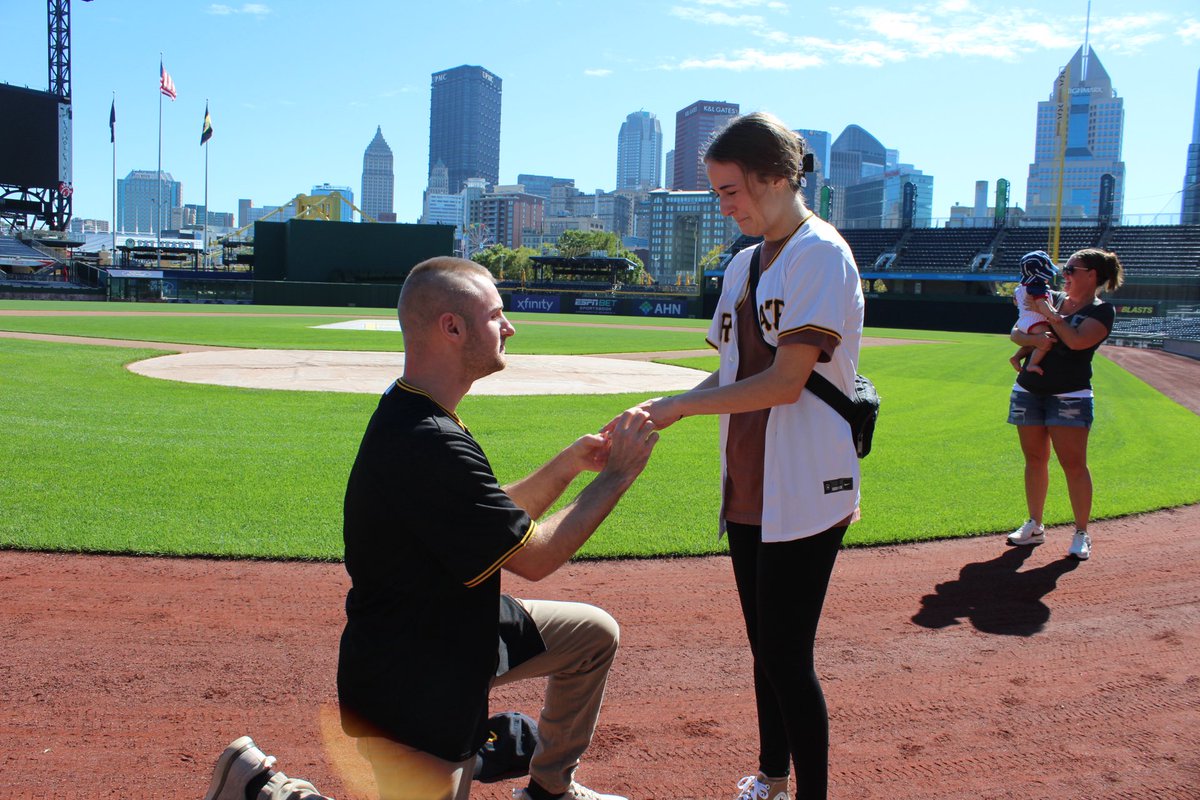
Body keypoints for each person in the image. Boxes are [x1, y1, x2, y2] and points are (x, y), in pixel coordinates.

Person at [204, 257, 659, 800]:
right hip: (412, 673)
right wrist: (618, 475)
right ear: (452, 327)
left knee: (591, 635)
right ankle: (264, 790)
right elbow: (536, 559)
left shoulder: (417, 413)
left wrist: (565, 466)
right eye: (497, 315)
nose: (510, 326)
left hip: (457, 628)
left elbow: (485, 520)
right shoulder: (429, 440)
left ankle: (549, 790)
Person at [630, 112, 864, 800]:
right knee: (767, 652)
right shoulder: (741, 263)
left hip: (808, 481)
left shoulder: (820, 253)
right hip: (751, 484)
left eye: (731, 190)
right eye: (718, 192)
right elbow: (732, 376)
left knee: (788, 656)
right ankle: (770, 776)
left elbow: (787, 381)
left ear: (777, 177)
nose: (724, 204)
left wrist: (678, 409)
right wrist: (660, 407)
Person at [1006, 248, 1124, 561]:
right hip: (1029, 390)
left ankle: (1081, 532)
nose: (1065, 275)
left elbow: (1075, 341)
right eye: (1065, 269)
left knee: (1073, 465)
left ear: (1092, 275)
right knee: (1034, 459)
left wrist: (1051, 316)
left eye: (1072, 269)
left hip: (1070, 396)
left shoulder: (1102, 311)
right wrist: (1032, 340)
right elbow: (1017, 331)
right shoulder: (1050, 297)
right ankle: (1035, 525)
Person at [1008, 251, 1060, 376]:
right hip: (1035, 321)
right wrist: (1053, 314)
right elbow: (1042, 304)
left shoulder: (1020, 287)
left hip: (1022, 321)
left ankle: (1016, 357)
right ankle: (1032, 364)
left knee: (1034, 343)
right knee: (1046, 343)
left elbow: (1016, 302)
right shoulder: (1037, 287)